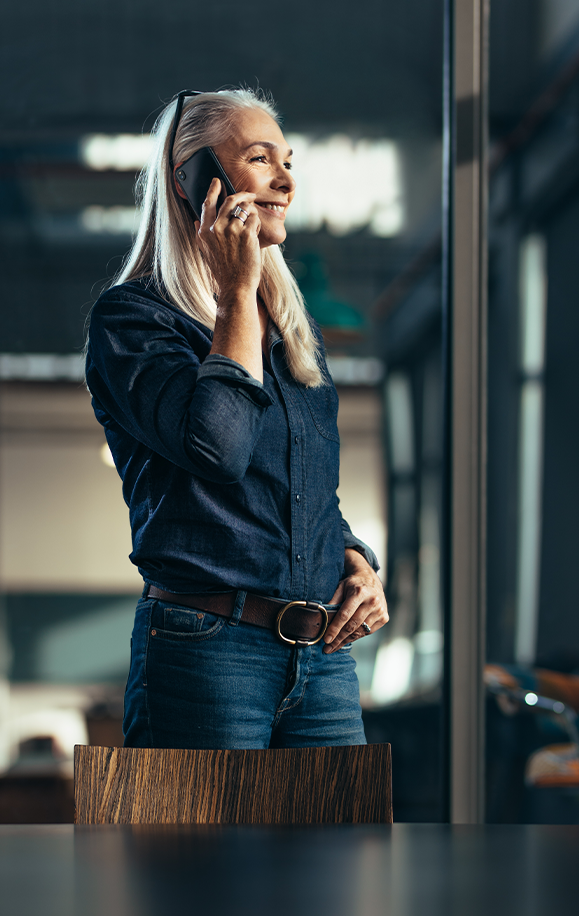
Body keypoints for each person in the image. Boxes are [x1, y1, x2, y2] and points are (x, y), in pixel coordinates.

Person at [85, 88, 389, 749]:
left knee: (339, 854)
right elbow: (218, 449)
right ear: (192, 181)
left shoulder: (291, 329)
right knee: (206, 857)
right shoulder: (134, 321)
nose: (286, 181)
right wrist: (234, 298)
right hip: (207, 652)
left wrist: (356, 562)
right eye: (260, 159)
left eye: (288, 161)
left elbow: (308, 489)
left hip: (324, 660)